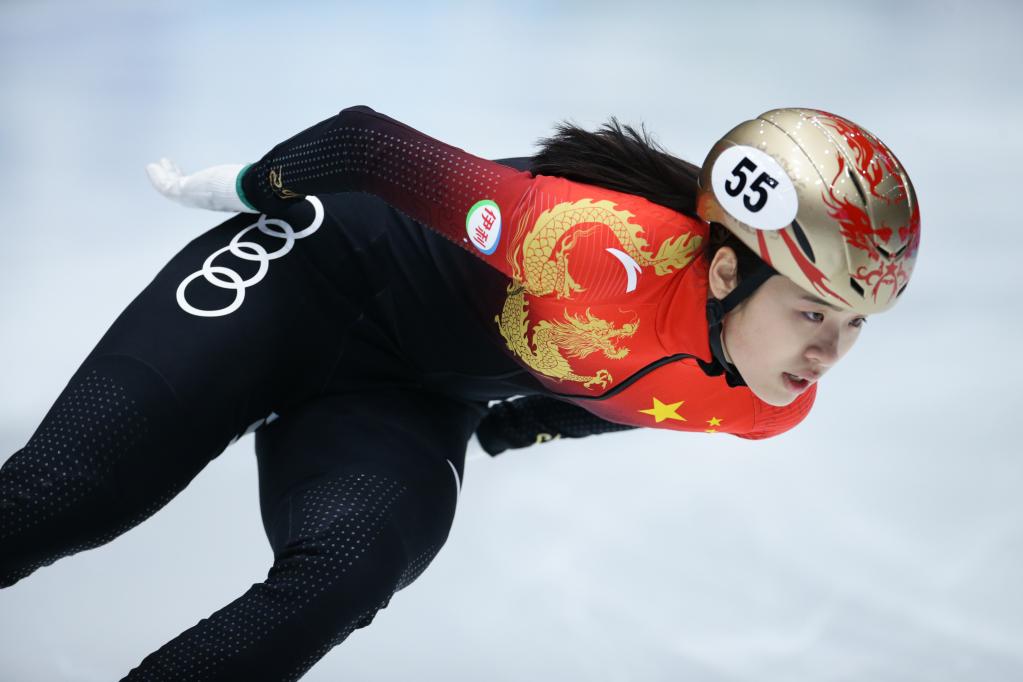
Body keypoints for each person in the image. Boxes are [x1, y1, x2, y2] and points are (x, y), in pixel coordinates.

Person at [0, 105, 919, 680]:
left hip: (407, 396)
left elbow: (646, 392)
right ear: (724, 273)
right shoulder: (595, 247)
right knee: (66, 495)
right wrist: (247, 186)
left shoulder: (769, 400)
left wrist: (531, 425)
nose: (828, 353)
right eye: (811, 313)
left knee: (349, 569)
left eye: (853, 325)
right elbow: (367, 144)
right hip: (307, 279)